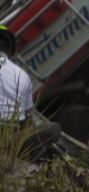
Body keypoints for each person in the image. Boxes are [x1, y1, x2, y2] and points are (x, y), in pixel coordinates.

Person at [0, 25, 61, 158]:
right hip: (12, 132)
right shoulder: (22, 75)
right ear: (10, 51)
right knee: (53, 129)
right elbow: (28, 117)